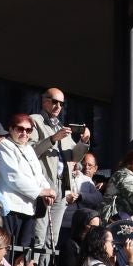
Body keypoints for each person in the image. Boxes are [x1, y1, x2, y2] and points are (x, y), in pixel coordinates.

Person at [30, 87, 87, 252]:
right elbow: (31, 151)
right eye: (54, 102)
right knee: (39, 237)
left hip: (62, 187)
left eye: (61, 104)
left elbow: (75, 157)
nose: (58, 107)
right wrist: (53, 138)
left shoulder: (61, 126)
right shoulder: (35, 120)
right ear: (44, 100)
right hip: (44, 185)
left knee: (52, 240)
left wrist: (84, 142)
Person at [0, 112, 54, 251]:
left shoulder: (29, 149)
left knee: (22, 253)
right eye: (20, 129)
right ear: (11, 129)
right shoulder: (4, 146)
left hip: (29, 209)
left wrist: (47, 191)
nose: (24, 133)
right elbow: (13, 176)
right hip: (10, 208)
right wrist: (40, 192)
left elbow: (38, 175)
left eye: (28, 130)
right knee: (5, 251)